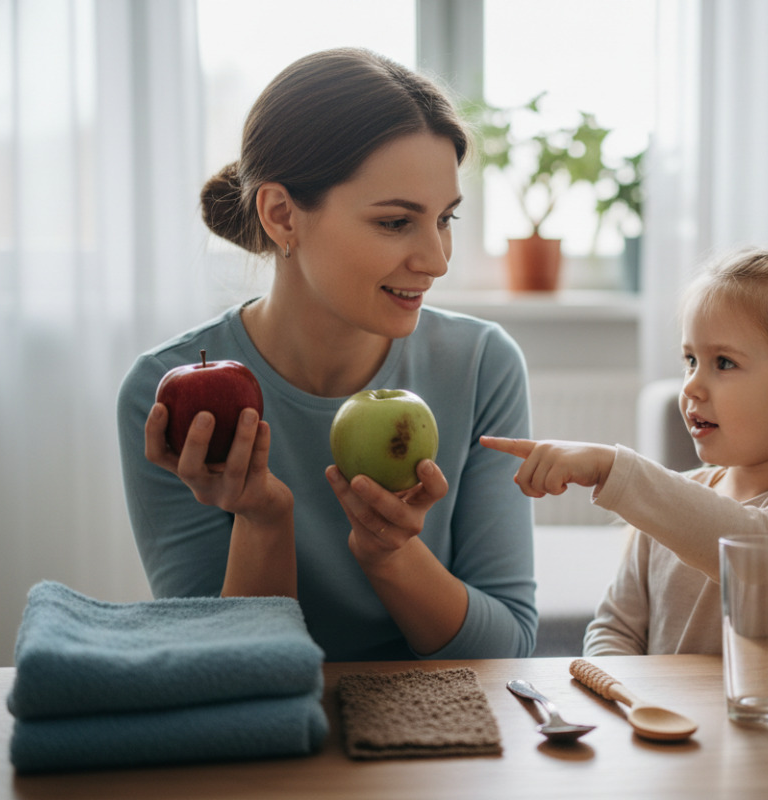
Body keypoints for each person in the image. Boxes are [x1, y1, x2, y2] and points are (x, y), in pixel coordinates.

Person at [117, 48, 536, 662]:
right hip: (268, 745)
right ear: (282, 215)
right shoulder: (162, 395)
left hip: (444, 740)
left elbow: (509, 650)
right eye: (396, 222)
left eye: (444, 219)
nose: (437, 260)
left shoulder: (481, 366)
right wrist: (261, 519)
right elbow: (222, 671)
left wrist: (391, 554)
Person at [482, 246, 768, 655]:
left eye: (724, 363)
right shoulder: (664, 506)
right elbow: (616, 629)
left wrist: (615, 470)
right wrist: (622, 700)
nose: (691, 386)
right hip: (666, 724)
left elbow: (756, 550)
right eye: (690, 360)